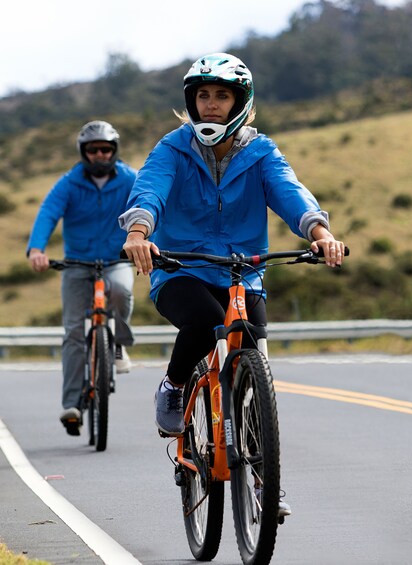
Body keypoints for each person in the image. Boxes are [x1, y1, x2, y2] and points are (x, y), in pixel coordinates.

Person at [120, 52, 345, 514]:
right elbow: (151, 189)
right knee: (203, 321)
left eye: (222, 96)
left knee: (254, 364)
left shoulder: (262, 152)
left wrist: (319, 232)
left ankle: (265, 482)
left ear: (240, 101)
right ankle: (175, 385)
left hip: (244, 272)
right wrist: (139, 233)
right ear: (192, 101)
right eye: (203, 95)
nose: (211, 105)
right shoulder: (174, 148)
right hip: (180, 268)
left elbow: (288, 190)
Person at [27, 120, 138, 436]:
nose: (100, 154)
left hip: (116, 259)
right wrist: (37, 249)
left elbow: (149, 205)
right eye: (93, 150)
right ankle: (71, 404)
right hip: (76, 263)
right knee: (74, 331)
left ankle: (117, 344)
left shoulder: (130, 178)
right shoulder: (69, 183)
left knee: (120, 291)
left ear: (114, 151)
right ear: (83, 152)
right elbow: (48, 213)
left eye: (106, 149)